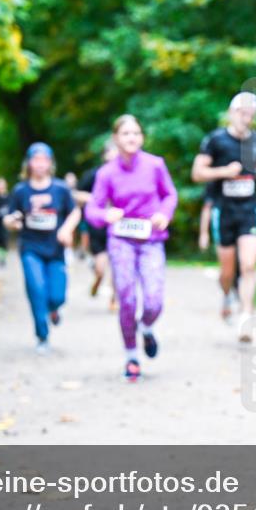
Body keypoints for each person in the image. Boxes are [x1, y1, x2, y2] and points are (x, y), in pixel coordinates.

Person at [85, 115, 178, 382]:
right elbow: (92, 208)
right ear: (116, 138)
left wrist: (164, 213)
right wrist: (106, 216)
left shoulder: (155, 165)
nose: (131, 138)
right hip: (121, 240)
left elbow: (170, 194)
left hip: (151, 239)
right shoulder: (106, 173)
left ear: (142, 137)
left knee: (153, 299)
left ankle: (146, 328)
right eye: (126, 133)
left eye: (136, 133)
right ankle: (131, 356)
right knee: (126, 297)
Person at [191, 92, 256, 342]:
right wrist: (224, 171)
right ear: (232, 112)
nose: (246, 119)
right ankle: (227, 294)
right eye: (242, 113)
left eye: (251, 115)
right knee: (227, 272)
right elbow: (197, 173)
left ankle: (247, 316)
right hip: (224, 210)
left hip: (250, 209)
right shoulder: (215, 140)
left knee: (249, 265)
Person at [3, 142, 81, 354]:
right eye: (35, 160)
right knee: (36, 289)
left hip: (55, 250)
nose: (39, 164)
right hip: (31, 249)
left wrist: (66, 229)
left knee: (57, 296)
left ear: (50, 163)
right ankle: (42, 335)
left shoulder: (60, 189)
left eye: (44, 160)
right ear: (28, 163)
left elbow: (75, 212)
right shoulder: (21, 190)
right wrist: (13, 222)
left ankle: (54, 309)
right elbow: (9, 218)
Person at [75, 139, 120, 308]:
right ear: (104, 156)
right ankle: (97, 280)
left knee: (117, 266)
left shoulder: (126, 175)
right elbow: (76, 194)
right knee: (101, 268)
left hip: (118, 227)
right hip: (98, 227)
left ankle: (114, 299)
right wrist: (95, 200)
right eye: (110, 152)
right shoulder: (94, 175)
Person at [197, 182, 239, 320]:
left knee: (246, 266)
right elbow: (207, 207)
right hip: (223, 225)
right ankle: (227, 296)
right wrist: (204, 234)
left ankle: (244, 308)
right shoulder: (215, 178)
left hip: (245, 224)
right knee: (227, 271)